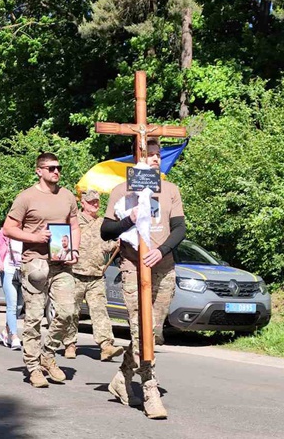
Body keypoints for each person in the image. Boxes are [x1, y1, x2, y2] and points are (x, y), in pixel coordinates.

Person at [101, 139, 186, 419]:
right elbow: (106, 230)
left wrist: (161, 251)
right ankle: (149, 389)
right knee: (141, 331)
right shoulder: (121, 191)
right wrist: (129, 219)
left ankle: (121, 377)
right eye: (149, 155)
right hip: (133, 266)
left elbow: (180, 229)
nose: (155, 160)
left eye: (158, 156)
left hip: (163, 268)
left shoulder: (170, 190)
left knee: (154, 332)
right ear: (138, 157)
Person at [3, 152, 80, 388]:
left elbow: (75, 226)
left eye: (59, 168)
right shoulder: (26, 197)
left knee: (68, 312)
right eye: (51, 168)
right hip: (34, 262)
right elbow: (8, 229)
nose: (56, 171)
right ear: (39, 171)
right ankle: (33, 367)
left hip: (61, 262)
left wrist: (74, 250)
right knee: (34, 318)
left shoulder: (67, 196)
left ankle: (48, 354)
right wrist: (34, 236)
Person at [63, 189, 124, 361]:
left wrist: (116, 244)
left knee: (99, 311)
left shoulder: (102, 223)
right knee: (71, 311)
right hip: (75, 273)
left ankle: (106, 346)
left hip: (96, 274)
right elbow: (63, 241)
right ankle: (70, 343)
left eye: (96, 201)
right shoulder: (74, 221)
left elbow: (104, 246)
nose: (95, 204)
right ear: (82, 203)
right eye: (91, 202)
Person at [0, 228, 23, 350]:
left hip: (22, 272)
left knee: (20, 306)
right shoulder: (5, 231)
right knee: (12, 304)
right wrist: (0, 265)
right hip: (8, 271)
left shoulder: (28, 230)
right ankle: (14, 336)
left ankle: (5, 332)